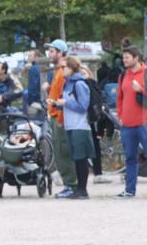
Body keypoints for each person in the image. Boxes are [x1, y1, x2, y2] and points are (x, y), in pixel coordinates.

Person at [115, 45, 147, 198]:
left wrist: (142, 88)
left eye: (127, 57)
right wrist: (120, 114)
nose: (124, 60)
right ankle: (129, 190)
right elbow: (120, 97)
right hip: (127, 124)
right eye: (123, 57)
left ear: (136, 58)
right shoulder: (123, 75)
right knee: (130, 158)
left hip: (146, 121)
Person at [52, 56, 94, 199]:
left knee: (81, 158)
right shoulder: (68, 83)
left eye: (64, 67)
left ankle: (83, 189)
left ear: (71, 68)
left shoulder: (79, 84)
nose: (62, 70)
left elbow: (83, 106)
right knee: (76, 158)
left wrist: (65, 103)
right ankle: (79, 189)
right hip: (70, 126)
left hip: (80, 126)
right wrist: (56, 104)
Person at [43, 40, 78, 197]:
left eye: (52, 51)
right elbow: (58, 93)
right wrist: (50, 90)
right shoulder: (58, 71)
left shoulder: (63, 71)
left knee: (63, 152)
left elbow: (66, 97)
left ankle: (71, 185)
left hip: (60, 118)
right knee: (60, 152)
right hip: (56, 116)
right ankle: (69, 184)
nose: (49, 54)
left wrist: (61, 119)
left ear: (61, 53)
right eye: (49, 51)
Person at [81, 65, 112, 185]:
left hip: (88, 120)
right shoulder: (94, 84)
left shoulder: (90, 85)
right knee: (94, 147)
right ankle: (97, 173)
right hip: (92, 120)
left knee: (92, 147)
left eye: (84, 73)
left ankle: (97, 173)